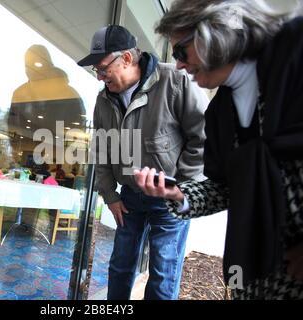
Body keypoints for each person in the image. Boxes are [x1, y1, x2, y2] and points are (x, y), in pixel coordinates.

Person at [135, 0, 303, 299]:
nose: (179, 65)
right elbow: (226, 187)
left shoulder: (294, 57)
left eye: (180, 51)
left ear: (216, 31)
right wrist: (179, 194)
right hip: (256, 273)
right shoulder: (218, 113)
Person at [78, 25, 209, 299]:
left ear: (126, 58)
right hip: (128, 198)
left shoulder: (176, 80)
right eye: (97, 71)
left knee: (162, 275)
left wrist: (180, 189)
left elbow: (204, 139)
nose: (100, 77)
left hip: (169, 197)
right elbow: (101, 152)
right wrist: (110, 196)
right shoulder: (103, 101)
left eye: (103, 68)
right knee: (119, 267)